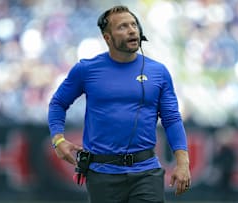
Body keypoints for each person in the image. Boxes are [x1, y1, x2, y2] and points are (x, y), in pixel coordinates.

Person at [48, 5, 190, 203]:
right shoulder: (86, 70)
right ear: (107, 38)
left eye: (134, 24)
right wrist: (58, 140)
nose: (132, 30)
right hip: (102, 174)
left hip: (146, 172)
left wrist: (183, 162)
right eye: (123, 27)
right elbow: (57, 104)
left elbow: (172, 119)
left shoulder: (159, 72)